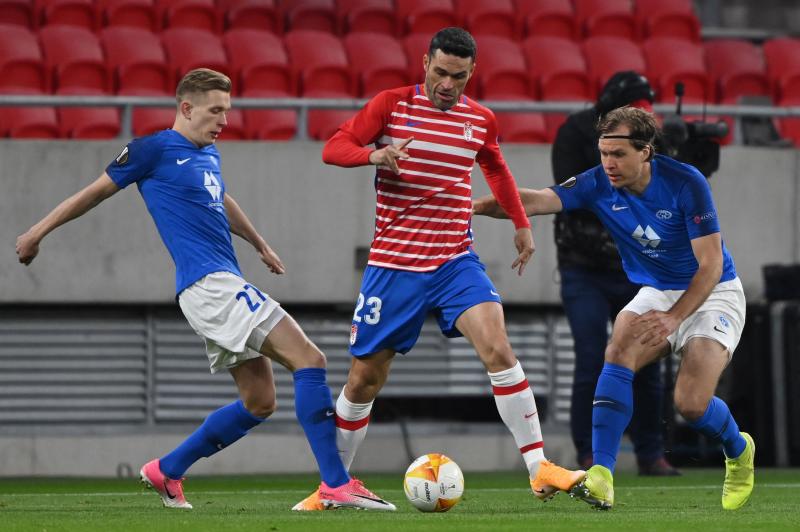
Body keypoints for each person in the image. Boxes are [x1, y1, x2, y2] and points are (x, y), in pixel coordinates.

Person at [15, 68, 394, 512]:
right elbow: (93, 193)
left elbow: (221, 198)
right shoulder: (151, 150)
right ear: (186, 108)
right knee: (310, 359)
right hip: (209, 285)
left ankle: (168, 469)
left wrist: (260, 244)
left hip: (217, 284)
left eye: (227, 111)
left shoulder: (206, 153)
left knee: (259, 401)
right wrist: (36, 233)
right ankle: (335, 483)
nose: (223, 120)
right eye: (216, 111)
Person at [292, 27, 584, 511]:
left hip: (454, 261)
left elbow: (496, 169)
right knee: (364, 379)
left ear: (473, 74)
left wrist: (520, 223)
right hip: (394, 266)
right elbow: (333, 148)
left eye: (459, 77)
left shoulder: (480, 120)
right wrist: (375, 154)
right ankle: (333, 487)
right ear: (425, 62)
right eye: (441, 72)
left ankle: (538, 468)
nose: (447, 84)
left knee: (497, 347)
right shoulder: (390, 105)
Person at [474, 106, 755, 511]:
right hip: (658, 290)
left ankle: (738, 449)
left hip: (713, 292)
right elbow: (534, 201)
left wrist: (675, 318)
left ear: (646, 151)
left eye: (619, 154)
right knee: (619, 346)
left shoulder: (685, 182)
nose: (609, 163)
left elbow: (709, 265)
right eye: (604, 153)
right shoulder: (596, 183)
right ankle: (602, 475)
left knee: (691, 404)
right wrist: (477, 207)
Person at [552, 71, 678, 476]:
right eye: (639, 107)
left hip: (636, 267)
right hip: (583, 267)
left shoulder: (649, 142)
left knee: (650, 355)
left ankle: (650, 453)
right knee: (591, 356)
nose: (647, 116)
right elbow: (571, 198)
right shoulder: (574, 132)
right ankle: (589, 454)